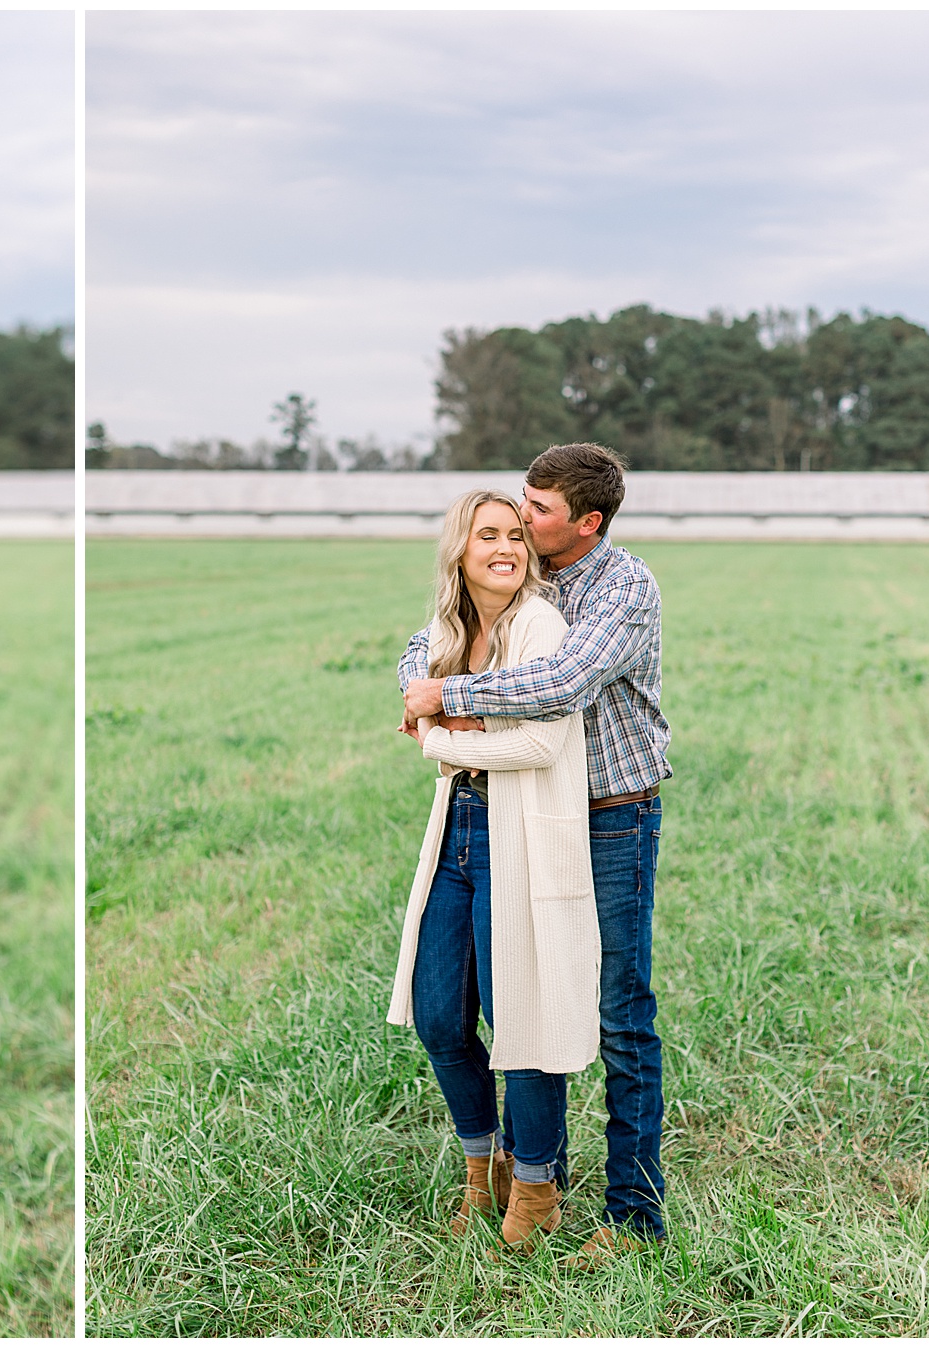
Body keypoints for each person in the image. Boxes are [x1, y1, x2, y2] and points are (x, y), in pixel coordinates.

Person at [400, 442, 670, 1268]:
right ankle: (525, 1173)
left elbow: (557, 687)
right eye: (517, 507)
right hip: (521, 813)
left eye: (538, 512)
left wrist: (446, 706)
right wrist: (422, 679)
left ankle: (633, 1214)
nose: (520, 522)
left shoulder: (620, 587)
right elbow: (439, 631)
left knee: (616, 1014)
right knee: (521, 990)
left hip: (611, 817)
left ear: (586, 523)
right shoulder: (534, 576)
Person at [387, 490, 600, 1252]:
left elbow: (541, 747)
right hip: (458, 834)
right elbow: (414, 683)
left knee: (525, 1017)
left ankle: (537, 1185)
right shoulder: (449, 632)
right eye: (489, 536)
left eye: (517, 535)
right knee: (441, 1015)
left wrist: (445, 742)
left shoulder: (541, 624)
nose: (506, 547)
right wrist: (435, 714)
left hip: (522, 835)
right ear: (461, 550)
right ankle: (485, 1169)